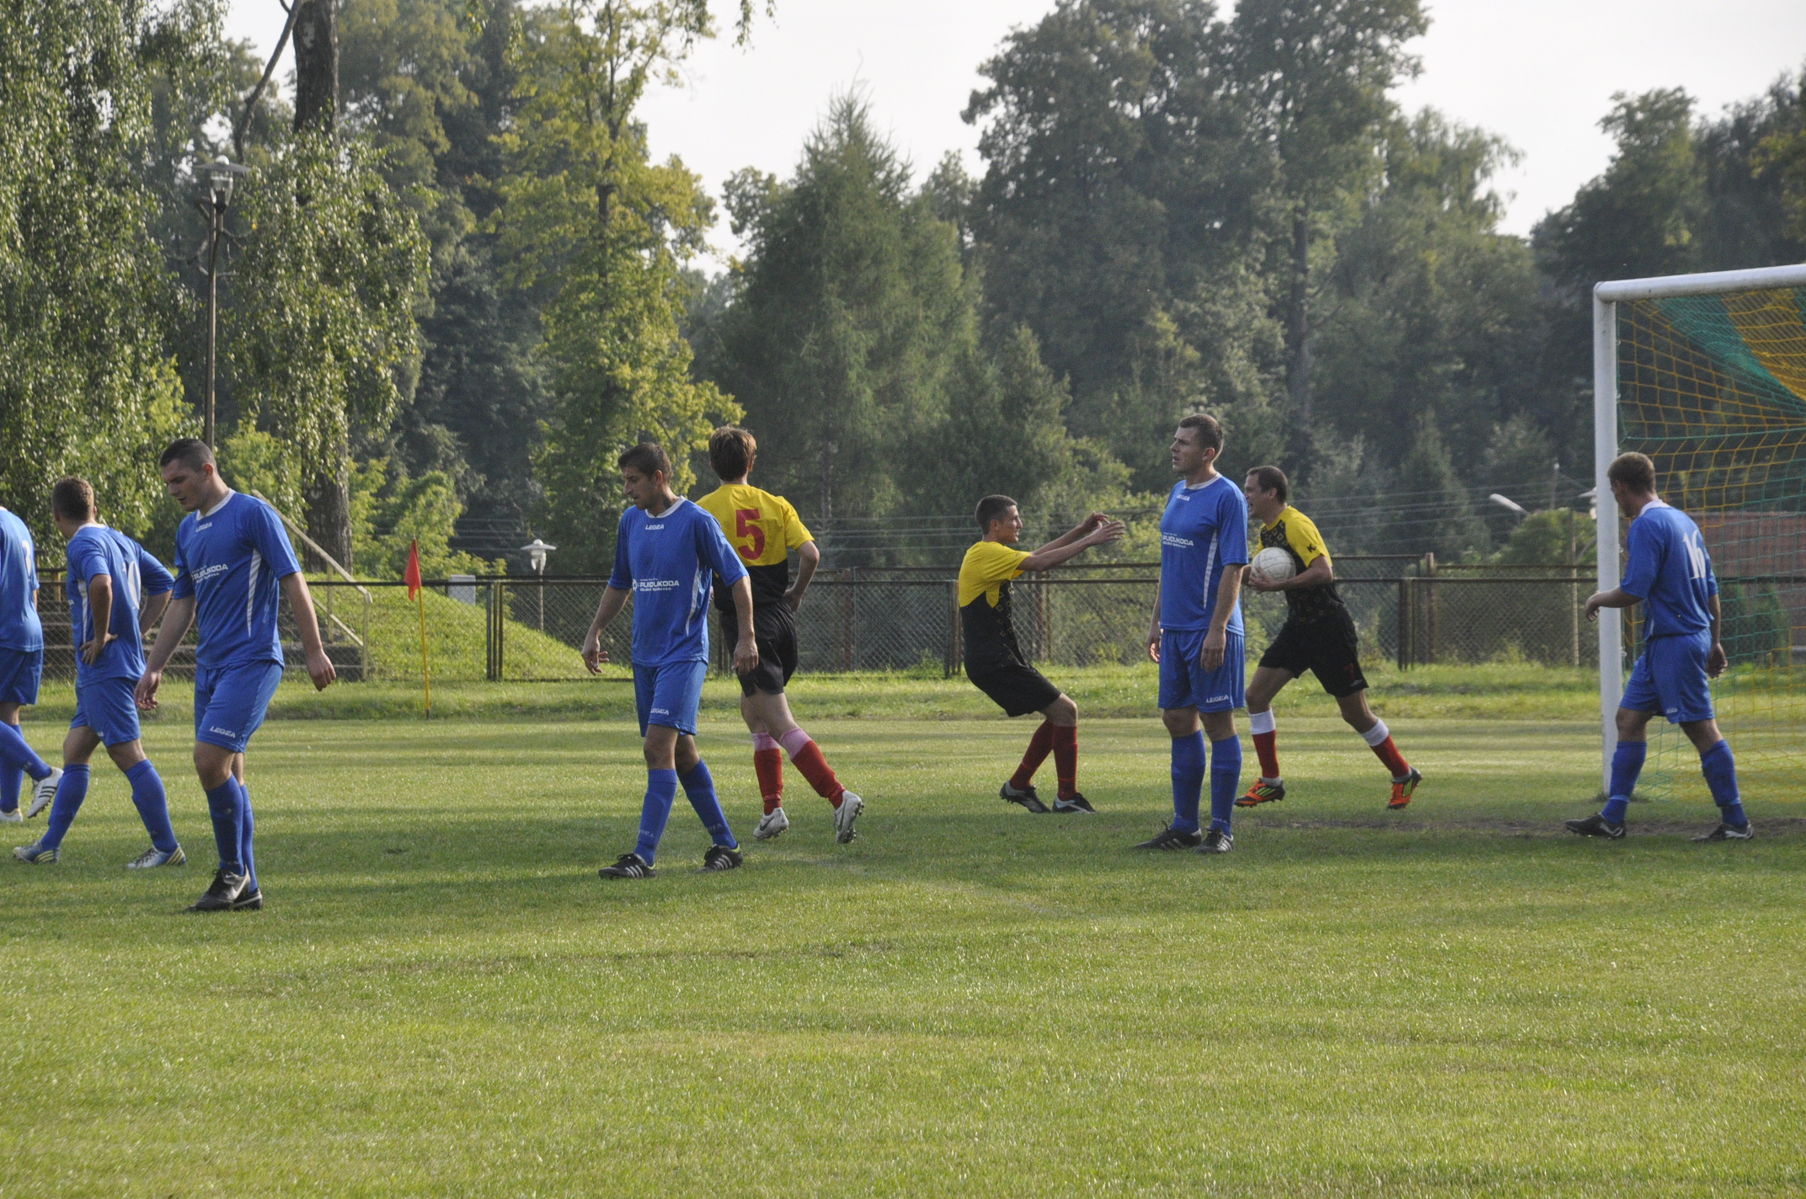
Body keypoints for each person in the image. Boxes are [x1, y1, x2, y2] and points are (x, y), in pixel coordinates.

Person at [135, 438, 337, 911]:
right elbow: (182, 603)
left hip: (253, 660)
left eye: (179, 480)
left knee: (208, 761)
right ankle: (247, 888)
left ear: (207, 470)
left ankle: (231, 872)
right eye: (167, 483)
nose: (173, 490)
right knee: (230, 772)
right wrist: (154, 665)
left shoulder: (252, 514)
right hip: (211, 668)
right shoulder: (188, 531)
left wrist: (314, 650)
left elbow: (293, 579)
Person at [583, 441, 758, 879]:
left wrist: (746, 639)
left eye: (633, 480)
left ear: (659, 477)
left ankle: (642, 856)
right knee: (681, 752)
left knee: (655, 747)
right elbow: (620, 583)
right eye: (625, 481)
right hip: (646, 656)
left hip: (684, 653)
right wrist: (594, 631)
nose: (627, 490)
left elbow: (738, 578)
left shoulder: (696, 521)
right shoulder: (630, 522)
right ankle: (727, 845)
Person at [1566, 451, 1752, 842]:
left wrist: (1597, 598)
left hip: (1677, 642)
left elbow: (1636, 588)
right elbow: (1711, 589)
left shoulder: (1647, 525)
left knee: (1702, 729)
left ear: (1619, 487)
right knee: (1629, 720)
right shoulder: (1682, 520)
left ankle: (1736, 823)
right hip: (1670, 641)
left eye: (1613, 493)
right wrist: (1714, 641)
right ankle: (1612, 818)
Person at [695, 426, 863, 843]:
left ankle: (839, 796)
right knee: (755, 713)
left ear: (713, 464)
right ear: (752, 463)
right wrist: (797, 593)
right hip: (782, 621)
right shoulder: (776, 504)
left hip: (747, 626)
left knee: (780, 722)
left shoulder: (703, 510)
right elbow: (810, 553)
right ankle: (772, 811)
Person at [13, 478, 183, 866]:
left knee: (129, 755)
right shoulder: (122, 541)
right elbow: (164, 585)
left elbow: (101, 584)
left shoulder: (82, 544)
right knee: (75, 753)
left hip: (104, 666)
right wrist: (137, 631)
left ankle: (167, 847)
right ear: (96, 506)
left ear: (57, 515)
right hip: (108, 667)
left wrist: (104, 634)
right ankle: (48, 846)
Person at [1236, 466, 1421, 810]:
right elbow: (1254, 572)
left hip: (1328, 627)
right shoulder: (1268, 532)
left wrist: (1277, 585)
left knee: (1354, 713)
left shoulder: (1295, 523)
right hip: (1300, 626)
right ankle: (1270, 781)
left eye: (1250, 490)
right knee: (1256, 696)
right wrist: (1224, 571)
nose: (1246, 496)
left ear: (1271, 493)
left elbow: (1324, 572)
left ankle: (1402, 773)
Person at [959, 495, 1123, 813]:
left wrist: (1080, 530)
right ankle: (1066, 797)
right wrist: (1091, 540)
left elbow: (1035, 555)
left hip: (997, 660)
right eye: (1014, 519)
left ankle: (1019, 786)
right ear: (995, 525)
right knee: (1066, 711)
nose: (1020, 524)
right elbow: (1041, 563)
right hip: (994, 662)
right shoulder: (986, 553)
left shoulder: (989, 554)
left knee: (1059, 714)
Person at [1137, 414, 1248, 854]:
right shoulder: (1178, 492)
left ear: (1208, 452)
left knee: (1218, 722)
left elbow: (1234, 565)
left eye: (1183, 442)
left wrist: (1218, 628)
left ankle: (1222, 829)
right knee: (1178, 720)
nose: (1174, 447)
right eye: (1174, 439)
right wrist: (1156, 621)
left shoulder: (1228, 496)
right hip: (1177, 628)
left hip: (1210, 630)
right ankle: (1186, 827)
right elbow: (1169, 563)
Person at [0, 503, 61, 825]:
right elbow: (33, 588)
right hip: (27, 629)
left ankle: (43, 772)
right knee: (7, 715)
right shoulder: (16, 522)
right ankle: (8, 808)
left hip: (4, 630)